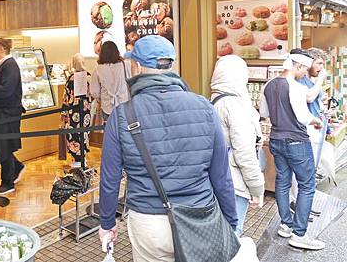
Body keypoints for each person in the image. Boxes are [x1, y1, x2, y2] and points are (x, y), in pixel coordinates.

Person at [99, 35, 237, 262]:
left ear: (136, 66)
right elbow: (221, 175)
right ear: (171, 65)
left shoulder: (122, 115)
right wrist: (230, 220)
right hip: (199, 216)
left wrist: (107, 223)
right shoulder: (204, 107)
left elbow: (110, 178)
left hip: (148, 222)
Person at [259, 49, 324, 250]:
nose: (305, 73)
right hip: (296, 141)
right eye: (304, 69)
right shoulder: (295, 87)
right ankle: (299, 234)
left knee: (283, 182)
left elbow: (264, 112)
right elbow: (303, 117)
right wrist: (317, 121)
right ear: (297, 66)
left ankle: (286, 225)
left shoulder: (269, 85)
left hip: (276, 139)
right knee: (307, 185)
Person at [210, 55, 265, 236]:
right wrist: (257, 188)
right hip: (235, 182)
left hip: (216, 178)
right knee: (233, 233)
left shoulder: (213, 102)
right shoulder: (235, 105)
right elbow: (244, 153)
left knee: (219, 232)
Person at [289, 47, 329, 215]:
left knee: (310, 169)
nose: (321, 68)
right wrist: (321, 80)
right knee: (302, 170)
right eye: (319, 63)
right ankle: (297, 205)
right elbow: (309, 97)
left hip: (314, 128)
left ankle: (303, 204)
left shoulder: (309, 81)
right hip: (304, 131)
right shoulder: (300, 80)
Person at [0, 38, 25, 195]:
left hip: (6, 114)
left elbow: (6, 90)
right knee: (1, 146)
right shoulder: (1, 66)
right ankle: (17, 167)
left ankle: (8, 183)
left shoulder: (9, 66)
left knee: (4, 148)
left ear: (1, 49)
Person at [61, 53, 91, 168]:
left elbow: (66, 97)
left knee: (73, 134)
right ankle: (83, 157)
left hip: (72, 111)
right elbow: (92, 94)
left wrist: (63, 112)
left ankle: (76, 158)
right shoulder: (88, 76)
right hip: (85, 111)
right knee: (84, 133)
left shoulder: (71, 78)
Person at [90, 41, 131, 122]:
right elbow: (131, 82)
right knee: (126, 130)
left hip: (107, 107)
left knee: (110, 132)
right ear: (116, 52)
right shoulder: (126, 65)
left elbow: (94, 92)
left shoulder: (98, 69)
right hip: (124, 104)